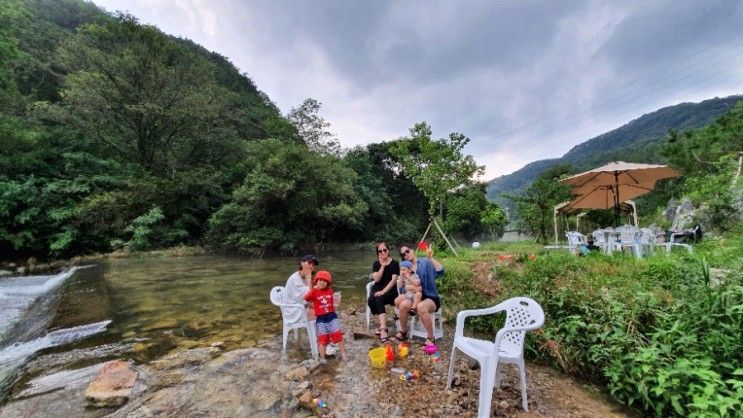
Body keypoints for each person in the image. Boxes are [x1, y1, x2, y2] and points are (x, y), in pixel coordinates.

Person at [395, 244, 444, 345]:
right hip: (415, 297)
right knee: (403, 305)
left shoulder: (425, 261)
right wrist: (407, 286)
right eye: (403, 254)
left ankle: (431, 337)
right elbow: (402, 289)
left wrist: (431, 258)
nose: (406, 255)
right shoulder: (406, 269)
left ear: (412, 250)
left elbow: (441, 271)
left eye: (407, 251)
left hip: (430, 296)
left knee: (421, 306)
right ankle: (403, 331)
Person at [304, 270, 347, 362]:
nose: (322, 282)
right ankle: (322, 358)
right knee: (323, 340)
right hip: (321, 319)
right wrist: (313, 289)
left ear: (328, 283)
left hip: (332, 317)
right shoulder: (314, 292)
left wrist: (337, 299)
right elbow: (306, 298)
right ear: (316, 281)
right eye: (320, 280)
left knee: (338, 336)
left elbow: (335, 303)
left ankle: (344, 354)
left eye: (325, 281)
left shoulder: (330, 291)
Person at [367, 242, 399, 343]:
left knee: (379, 298)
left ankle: (384, 329)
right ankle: (381, 324)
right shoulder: (376, 263)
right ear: (377, 253)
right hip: (378, 287)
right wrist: (382, 266)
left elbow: (394, 280)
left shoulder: (395, 263)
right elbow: (376, 279)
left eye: (384, 250)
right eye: (380, 251)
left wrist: (383, 291)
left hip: (390, 290)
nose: (382, 252)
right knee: (371, 300)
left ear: (388, 250)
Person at [284, 254, 319, 323]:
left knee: (326, 309)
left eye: (313, 265)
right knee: (322, 314)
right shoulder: (295, 279)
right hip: (294, 312)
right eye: (309, 263)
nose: (311, 266)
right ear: (302, 264)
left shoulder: (305, 277)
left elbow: (310, 298)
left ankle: (323, 332)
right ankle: (317, 333)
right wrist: (309, 277)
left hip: (301, 306)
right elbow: (309, 298)